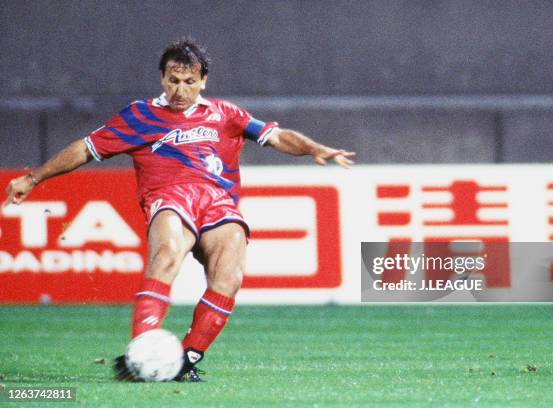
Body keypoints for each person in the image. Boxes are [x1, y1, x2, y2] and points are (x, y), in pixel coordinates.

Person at [3, 38, 355, 382]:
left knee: (229, 275)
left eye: (189, 81)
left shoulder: (226, 114)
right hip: (170, 196)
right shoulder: (140, 116)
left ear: (203, 81)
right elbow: (85, 149)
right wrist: (33, 178)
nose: (180, 89)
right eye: (173, 80)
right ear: (162, 79)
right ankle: (142, 347)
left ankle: (186, 359)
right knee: (167, 253)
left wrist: (313, 149)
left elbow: (276, 137)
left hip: (218, 202)